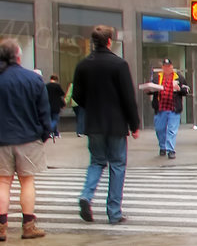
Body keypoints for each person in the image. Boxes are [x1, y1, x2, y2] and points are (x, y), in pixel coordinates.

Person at [71, 25, 140, 225]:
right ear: (110, 41)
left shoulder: (83, 65)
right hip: (116, 124)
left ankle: (86, 195)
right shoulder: (119, 65)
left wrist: (90, 107)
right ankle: (114, 212)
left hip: (93, 124)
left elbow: (77, 96)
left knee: (96, 161)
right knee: (117, 165)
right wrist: (134, 124)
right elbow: (128, 97)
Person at [0, 36, 52, 240]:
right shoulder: (33, 79)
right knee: (27, 181)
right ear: (19, 57)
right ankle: (28, 226)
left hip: (1, 141)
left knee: (3, 182)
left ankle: (1, 227)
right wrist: (44, 134)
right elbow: (44, 112)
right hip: (29, 139)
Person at [145, 58, 188, 159]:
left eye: (169, 66)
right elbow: (151, 90)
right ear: (162, 68)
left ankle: (171, 150)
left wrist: (180, 89)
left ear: (172, 67)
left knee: (172, 130)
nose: (167, 68)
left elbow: (186, 90)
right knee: (160, 129)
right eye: (165, 66)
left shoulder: (179, 78)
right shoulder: (157, 78)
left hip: (174, 108)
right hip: (160, 108)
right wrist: (148, 89)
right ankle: (163, 147)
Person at [45, 73, 65, 140]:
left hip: (48, 105)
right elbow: (62, 94)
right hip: (56, 105)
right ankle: (49, 131)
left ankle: (56, 133)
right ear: (56, 79)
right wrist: (63, 104)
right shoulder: (57, 86)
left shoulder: (46, 86)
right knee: (55, 119)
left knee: (51, 119)